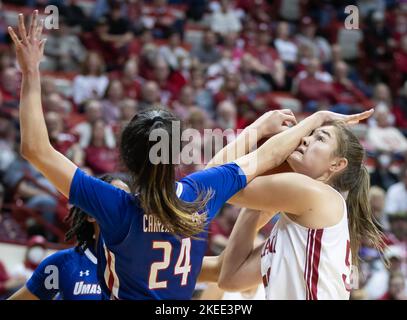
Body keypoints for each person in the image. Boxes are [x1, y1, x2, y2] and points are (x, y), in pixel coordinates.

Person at [8, 11, 372, 300]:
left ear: (128, 159)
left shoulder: (117, 207)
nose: (306, 140)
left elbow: (36, 149)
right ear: (174, 153)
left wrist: (31, 72)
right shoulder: (197, 197)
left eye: (318, 137)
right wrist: (273, 128)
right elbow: (247, 174)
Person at [201, 117, 382, 299]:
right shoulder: (299, 228)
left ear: (336, 164)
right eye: (309, 134)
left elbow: (213, 183)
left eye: (320, 138)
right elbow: (230, 278)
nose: (304, 139)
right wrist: (257, 206)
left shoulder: (314, 193)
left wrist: (258, 128)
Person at [8, 175, 129, 300]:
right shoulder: (64, 264)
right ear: (91, 215)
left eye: (128, 202)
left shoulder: (146, 265)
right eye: (115, 201)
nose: (124, 209)